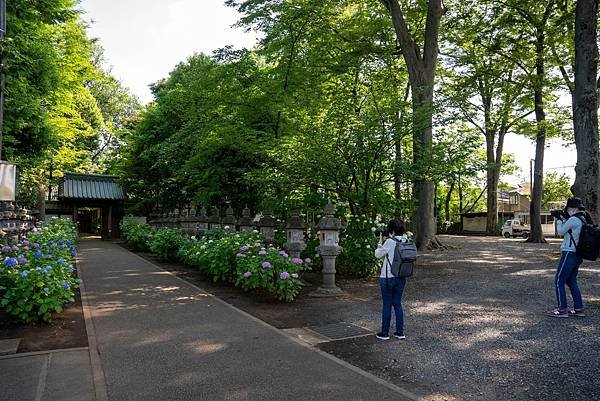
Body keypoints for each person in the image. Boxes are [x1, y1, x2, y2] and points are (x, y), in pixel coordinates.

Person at [549, 197, 588, 318]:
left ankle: (562, 310)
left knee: (559, 280)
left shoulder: (573, 220)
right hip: (578, 255)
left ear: (574, 208)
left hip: (569, 253)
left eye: (569, 208)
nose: (568, 210)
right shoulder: (582, 219)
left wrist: (559, 219)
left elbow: (561, 232)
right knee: (571, 281)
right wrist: (564, 217)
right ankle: (578, 308)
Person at [374, 219, 409, 339]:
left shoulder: (389, 241)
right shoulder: (406, 240)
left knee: (387, 304)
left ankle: (384, 333)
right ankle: (400, 332)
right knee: (398, 304)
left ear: (392, 230)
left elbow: (378, 255)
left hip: (388, 278)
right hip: (401, 277)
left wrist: (380, 243)